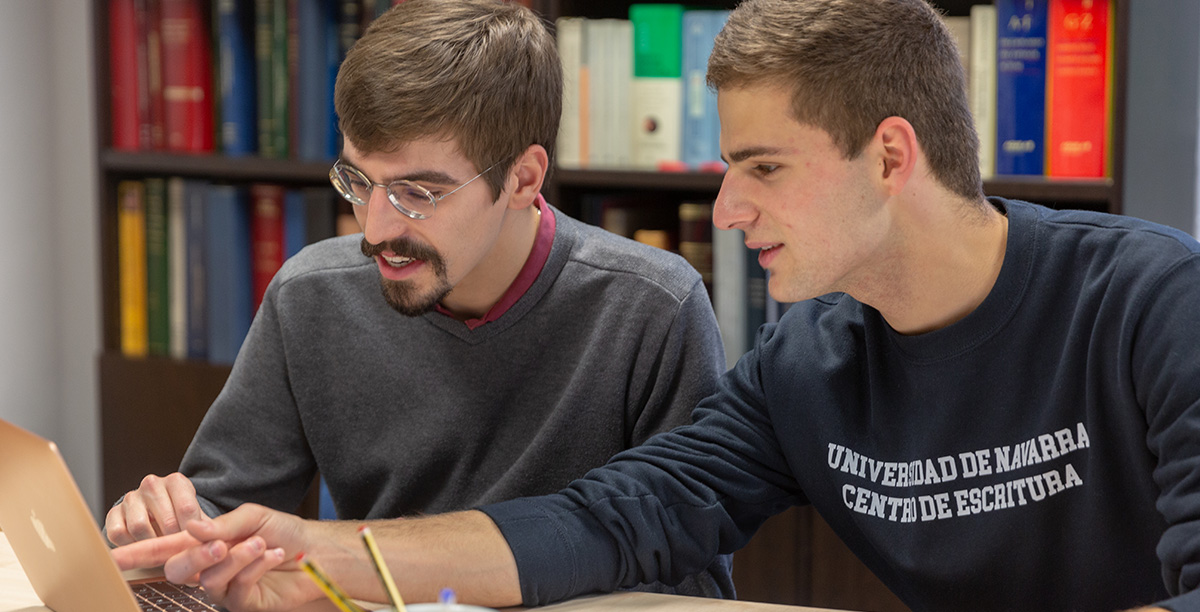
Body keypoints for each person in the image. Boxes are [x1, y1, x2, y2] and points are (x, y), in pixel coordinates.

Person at [111, 0, 1200, 610]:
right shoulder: (802, 370)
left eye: (762, 168)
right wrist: (315, 557)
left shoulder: (1156, 303)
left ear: (889, 155)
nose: (726, 209)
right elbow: (611, 520)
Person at [103, 0, 734, 602]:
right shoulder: (310, 295)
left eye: (418, 193)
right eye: (358, 181)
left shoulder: (651, 307)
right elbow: (221, 514)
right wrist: (170, 527)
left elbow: (694, 584)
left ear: (522, 179)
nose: (375, 229)